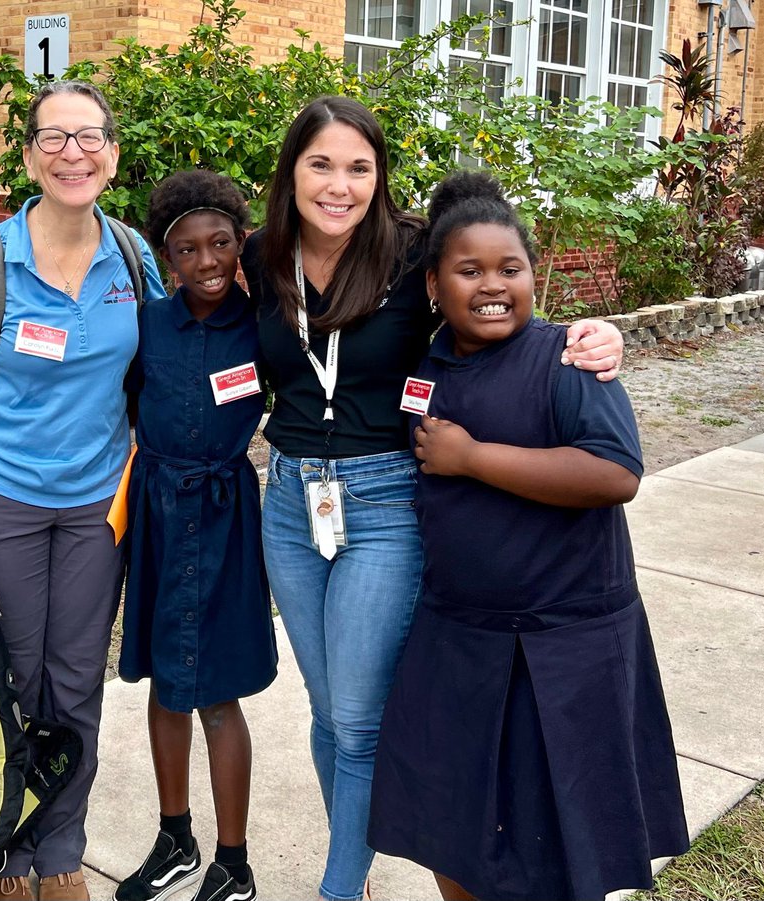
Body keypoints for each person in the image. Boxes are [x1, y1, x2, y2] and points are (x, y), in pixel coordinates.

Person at [239, 95, 628, 901]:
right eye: (321, 164)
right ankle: (357, 866)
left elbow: (490, 295)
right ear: (292, 172)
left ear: (380, 178)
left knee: (357, 718)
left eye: (358, 168)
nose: (339, 185)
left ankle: (337, 888)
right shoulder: (260, 254)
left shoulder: (411, 254)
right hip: (291, 498)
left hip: (384, 497)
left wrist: (587, 337)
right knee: (325, 711)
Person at [367, 170, 690, 901]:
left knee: (561, 838)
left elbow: (614, 471)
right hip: (459, 633)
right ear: (432, 286)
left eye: (511, 269)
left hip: (563, 642)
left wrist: (473, 458)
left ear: (535, 277)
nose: (492, 284)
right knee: (452, 823)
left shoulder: (567, 358)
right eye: (469, 269)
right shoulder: (426, 368)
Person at [0, 81, 166, 901]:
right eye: (53, 139)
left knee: (74, 683)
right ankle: (2, 858)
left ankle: (59, 853)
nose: (73, 153)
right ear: (28, 156)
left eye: (89, 136)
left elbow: (170, 365)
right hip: (2, 499)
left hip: (101, 506)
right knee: (5, 682)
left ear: (113, 155)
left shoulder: (133, 259)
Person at [115, 170, 277, 901]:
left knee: (218, 691)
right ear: (166, 257)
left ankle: (233, 862)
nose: (207, 261)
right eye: (188, 250)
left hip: (224, 516)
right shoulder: (148, 324)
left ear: (241, 243)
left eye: (220, 243)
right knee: (164, 682)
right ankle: (175, 835)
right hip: (157, 511)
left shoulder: (267, 323)